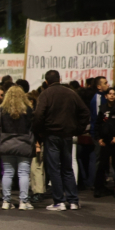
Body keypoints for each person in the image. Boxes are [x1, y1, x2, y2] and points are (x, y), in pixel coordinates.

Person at [31, 70, 90, 211]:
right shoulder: (70, 93)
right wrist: (77, 129)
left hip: (51, 135)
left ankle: (59, 201)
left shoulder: (45, 94)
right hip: (67, 135)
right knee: (67, 168)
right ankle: (73, 200)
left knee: (54, 168)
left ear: (46, 82)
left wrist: (38, 131)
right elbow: (85, 112)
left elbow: (39, 114)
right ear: (60, 79)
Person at [0, 86, 34, 210]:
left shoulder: (1, 110)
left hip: (6, 145)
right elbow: (33, 128)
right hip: (24, 145)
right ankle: (24, 202)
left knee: (8, 173)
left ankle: (6, 201)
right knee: (24, 174)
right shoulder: (28, 110)